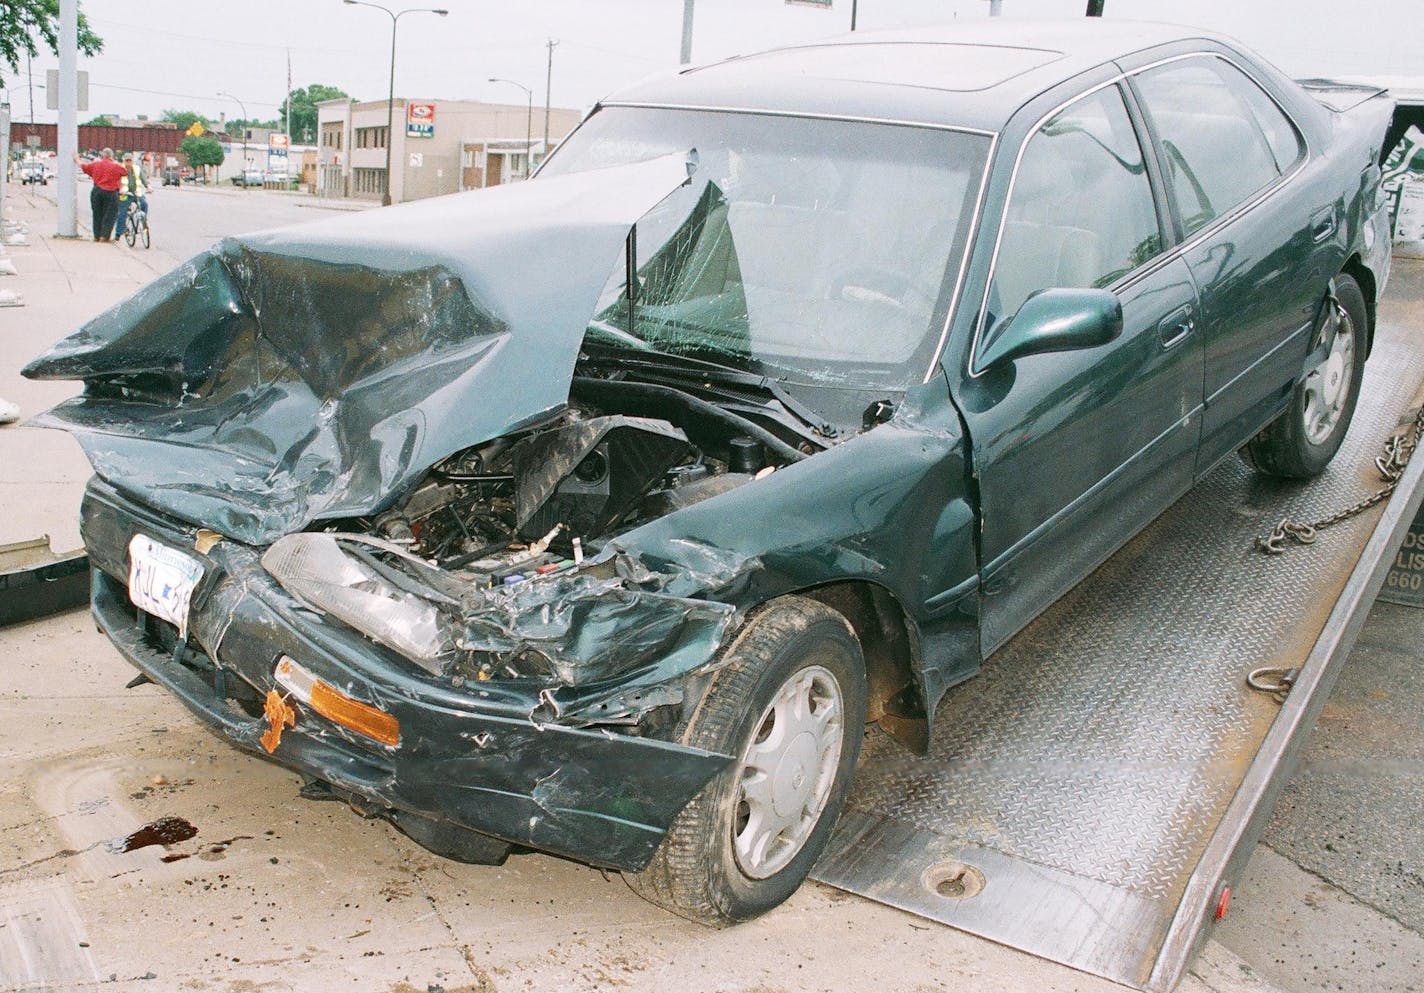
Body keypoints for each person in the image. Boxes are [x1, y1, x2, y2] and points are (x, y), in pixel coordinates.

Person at [73, 148, 127, 241]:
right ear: (111, 156)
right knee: (110, 215)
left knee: (97, 214)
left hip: (97, 191)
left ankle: (96, 236)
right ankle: (104, 236)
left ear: (102, 155)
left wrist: (77, 159)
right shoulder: (116, 166)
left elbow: (84, 167)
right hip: (111, 192)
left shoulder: (96, 164)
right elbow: (125, 172)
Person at [115, 153, 150, 239]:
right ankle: (118, 233)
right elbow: (116, 180)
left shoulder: (137, 169)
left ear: (132, 161)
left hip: (136, 194)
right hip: (125, 195)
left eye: (130, 161)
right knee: (122, 212)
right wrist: (119, 190)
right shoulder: (120, 169)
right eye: (126, 161)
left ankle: (143, 222)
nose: (128, 163)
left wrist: (149, 187)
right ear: (124, 161)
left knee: (144, 204)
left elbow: (144, 179)